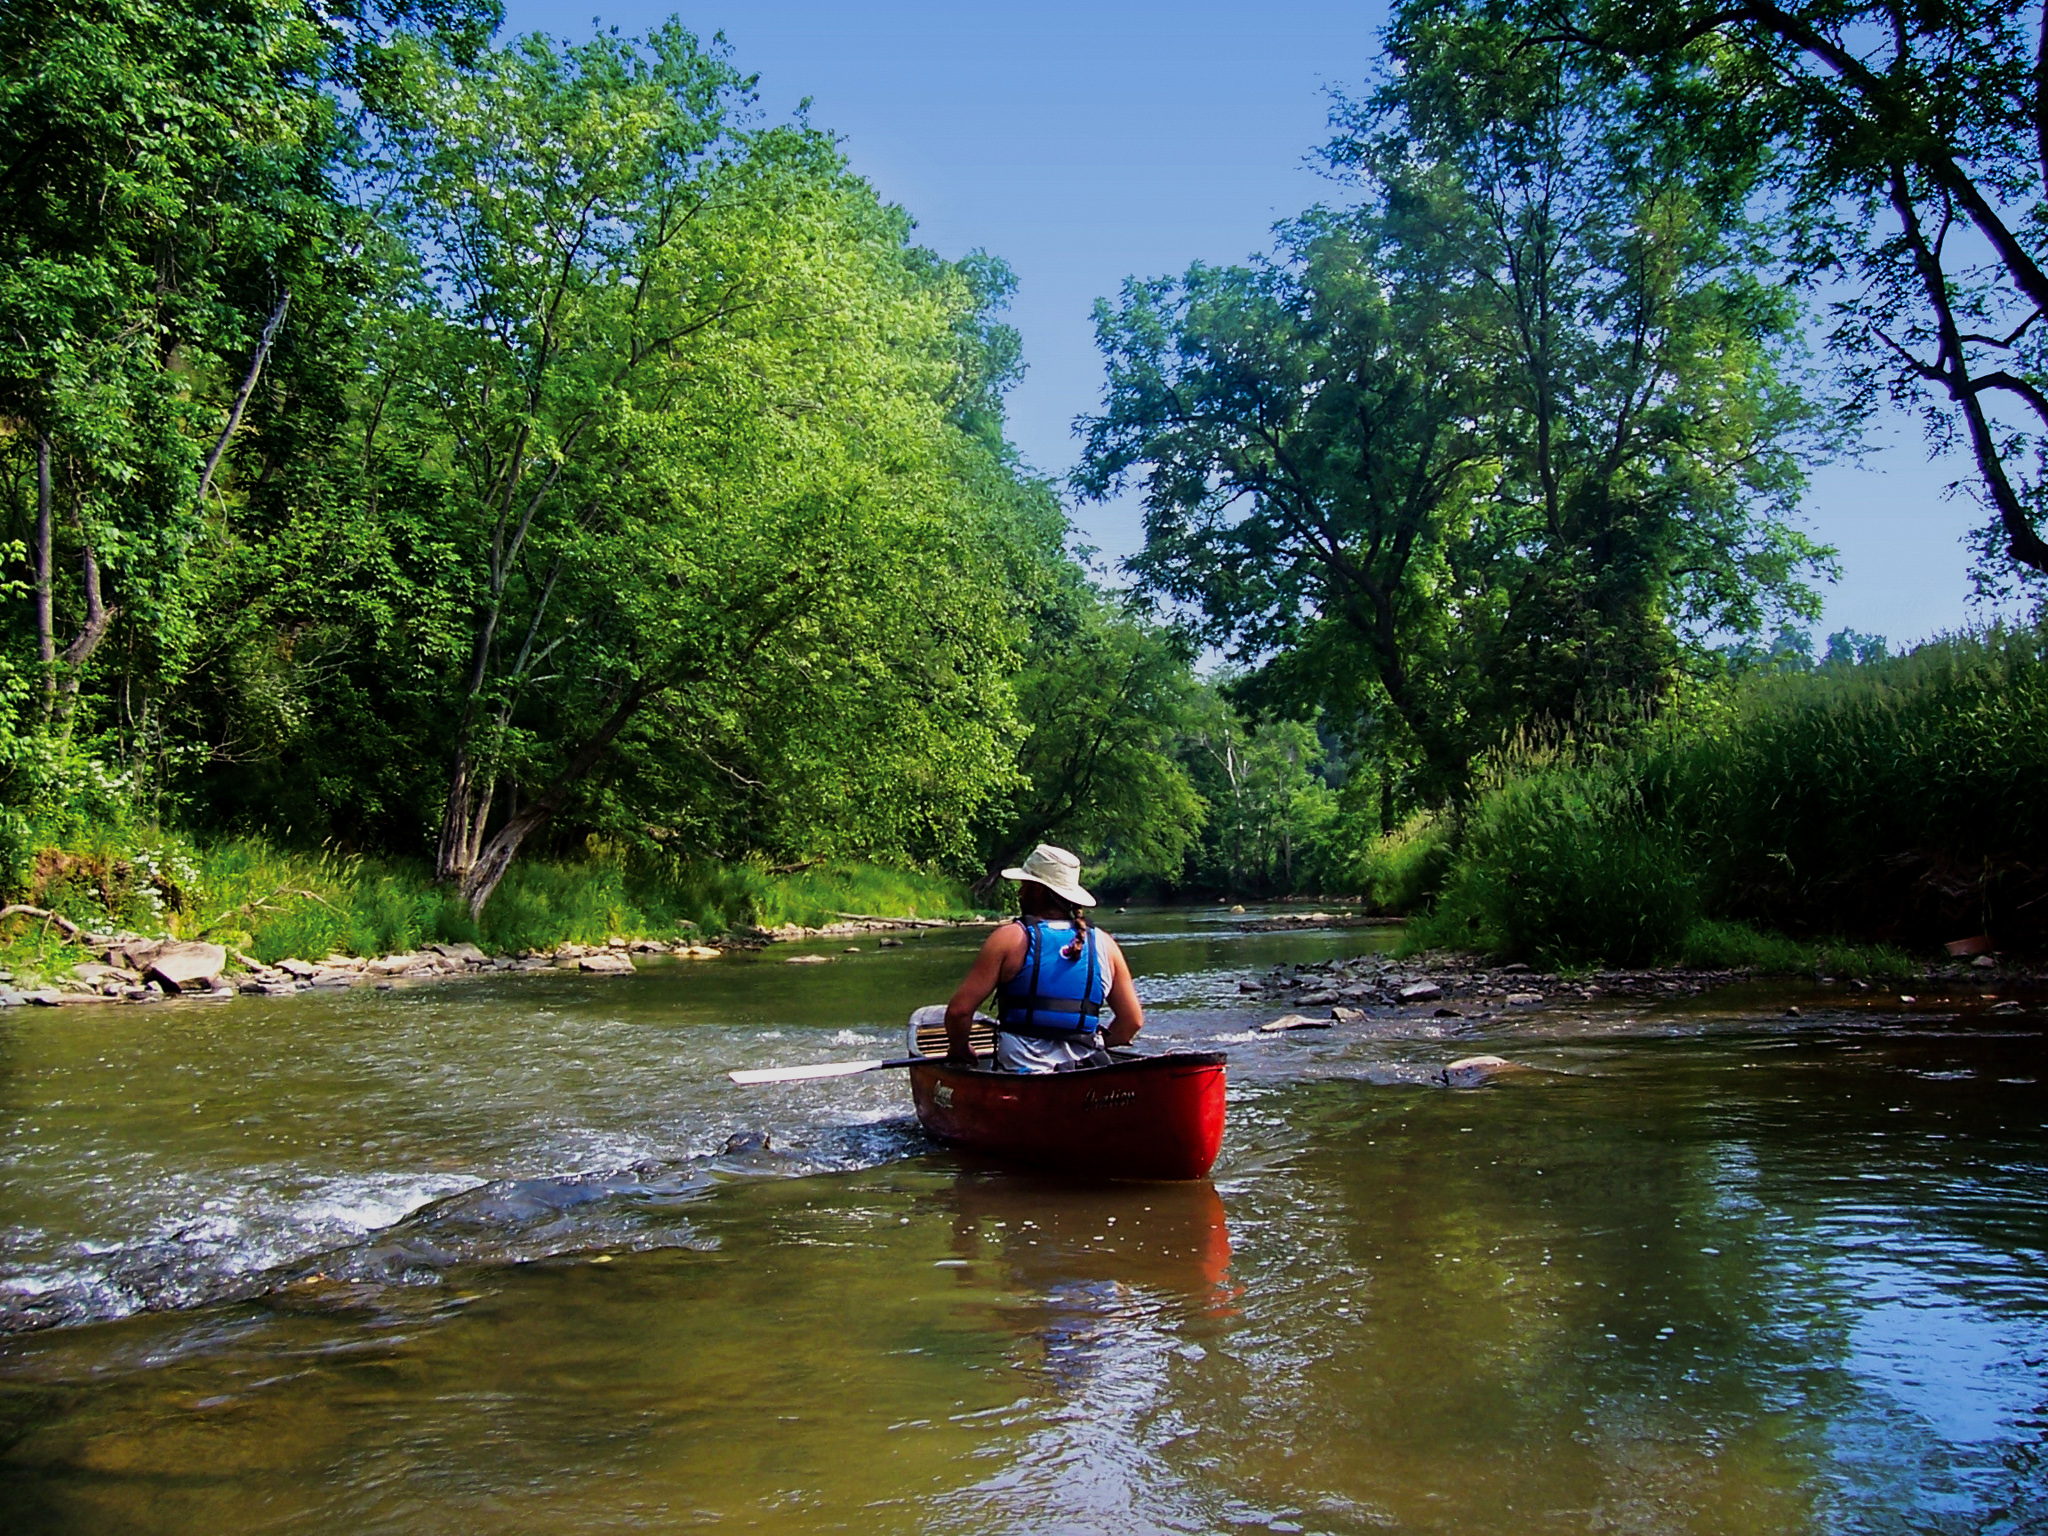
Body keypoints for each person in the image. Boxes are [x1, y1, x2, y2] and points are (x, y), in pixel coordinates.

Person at [944, 844, 1144, 1072]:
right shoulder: (1105, 944)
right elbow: (1132, 1022)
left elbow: (959, 1012)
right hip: (1084, 1073)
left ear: (1037, 890)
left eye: (1024, 885)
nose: (1019, 892)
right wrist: (1095, 1045)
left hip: (1022, 1075)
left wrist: (959, 1048)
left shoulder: (1009, 939)